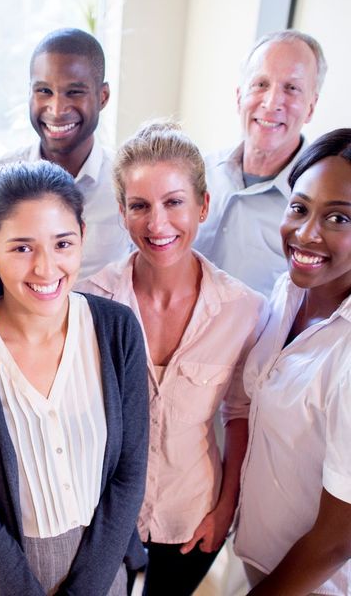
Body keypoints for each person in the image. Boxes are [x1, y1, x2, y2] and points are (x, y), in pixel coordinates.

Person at [0, 161, 148, 595]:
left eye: (62, 243)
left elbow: (129, 474)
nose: (46, 269)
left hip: (100, 570)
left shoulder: (117, 331)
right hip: (1, 578)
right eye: (23, 248)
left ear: (82, 234)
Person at [78, 122, 267, 595]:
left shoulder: (243, 309)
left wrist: (225, 510)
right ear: (121, 212)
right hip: (100, 516)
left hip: (192, 517)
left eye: (174, 202)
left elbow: (240, 415)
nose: (157, 224)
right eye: (139, 206)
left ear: (202, 206)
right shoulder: (90, 301)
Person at [235, 128, 351, 595]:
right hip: (261, 556)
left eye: (339, 219)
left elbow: (338, 537)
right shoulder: (290, 289)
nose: (305, 233)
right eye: (299, 208)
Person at [0, 28, 131, 289]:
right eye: (44, 91)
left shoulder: (127, 184)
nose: (57, 110)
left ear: (102, 97)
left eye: (74, 92)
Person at [194, 29, 327, 296]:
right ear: (239, 96)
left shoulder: (324, 205)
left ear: (311, 107)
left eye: (291, 88)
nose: (272, 102)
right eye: (261, 84)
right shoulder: (197, 173)